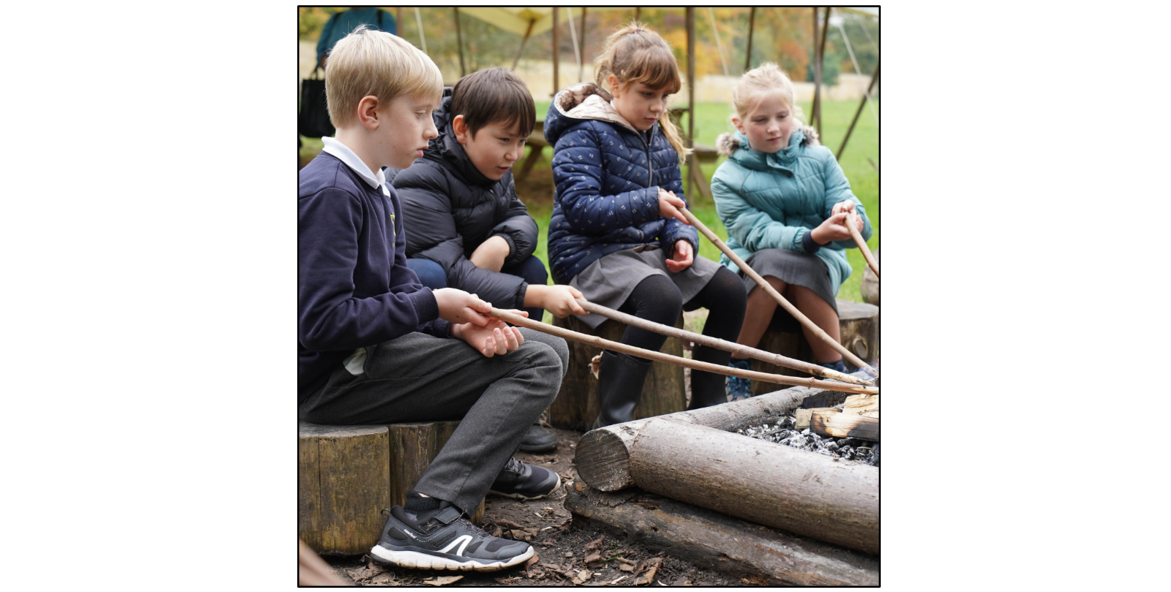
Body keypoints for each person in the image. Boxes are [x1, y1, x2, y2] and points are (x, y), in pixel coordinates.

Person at [298, 26, 569, 572]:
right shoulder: (330, 192)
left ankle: (482, 464)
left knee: (541, 348)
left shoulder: (379, 187)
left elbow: (399, 284)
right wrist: (433, 305)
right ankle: (429, 515)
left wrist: (456, 326)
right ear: (371, 112)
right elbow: (320, 324)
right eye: (421, 113)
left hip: (367, 358)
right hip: (328, 383)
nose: (434, 126)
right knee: (537, 361)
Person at [544, 23, 747, 428]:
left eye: (665, 96)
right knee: (662, 299)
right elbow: (581, 209)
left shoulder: (658, 136)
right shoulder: (583, 133)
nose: (657, 106)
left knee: (731, 289)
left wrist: (680, 239)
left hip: (642, 254)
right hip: (588, 256)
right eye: (647, 94)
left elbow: (675, 204)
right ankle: (613, 418)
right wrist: (648, 203)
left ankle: (707, 403)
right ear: (615, 84)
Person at [392, 68, 586, 453]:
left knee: (529, 264)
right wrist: (537, 295)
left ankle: (514, 399)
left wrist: (501, 242)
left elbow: (522, 219)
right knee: (430, 273)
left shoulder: (491, 163)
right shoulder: (421, 172)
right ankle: (461, 392)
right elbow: (449, 272)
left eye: (520, 141)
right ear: (462, 129)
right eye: (504, 140)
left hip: (471, 273)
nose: (514, 154)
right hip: (428, 293)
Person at [711, 63, 873, 400]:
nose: (773, 128)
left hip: (819, 266)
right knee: (775, 262)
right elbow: (758, 234)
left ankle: (833, 375)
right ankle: (738, 365)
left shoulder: (820, 158)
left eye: (782, 116)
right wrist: (814, 237)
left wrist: (850, 219)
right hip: (754, 270)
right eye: (760, 120)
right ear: (739, 124)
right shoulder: (726, 178)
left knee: (803, 265)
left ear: (793, 113)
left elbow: (856, 213)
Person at [316, 7, 396, 67]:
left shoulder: (383, 17)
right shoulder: (336, 17)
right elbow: (321, 52)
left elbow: (390, 53)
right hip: (335, 79)